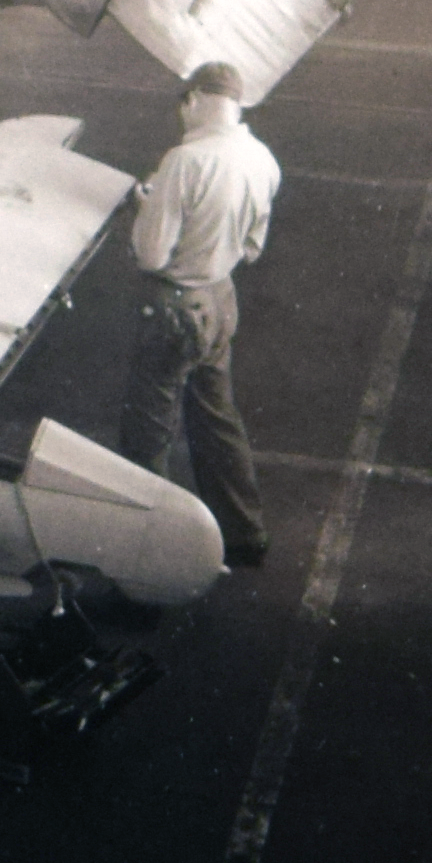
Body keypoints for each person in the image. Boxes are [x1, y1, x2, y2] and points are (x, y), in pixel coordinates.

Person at [121, 63, 280, 575]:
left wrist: (146, 207)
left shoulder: (184, 160)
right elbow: (252, 249)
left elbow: (151, 256)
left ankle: (151, 566)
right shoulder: (263, 159)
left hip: (175, 306)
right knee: (216, 418)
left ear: (192, 100)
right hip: (220, 299)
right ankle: (245, 534)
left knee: (147, 436)